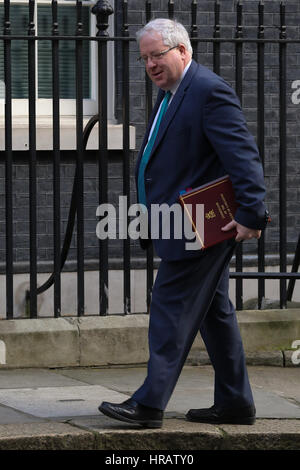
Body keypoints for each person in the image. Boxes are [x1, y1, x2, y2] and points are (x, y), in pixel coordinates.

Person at [99, 18, 269, 428]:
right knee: (215, 312)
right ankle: (234, 402)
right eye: (145, 58)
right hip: (179, 222)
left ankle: (149, 404)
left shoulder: (208, 91)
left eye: (158, 54)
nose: (151, 64)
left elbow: (243, 156)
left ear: (183, 51)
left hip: (201, 225)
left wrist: (251, 212)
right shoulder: (174, 93)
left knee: (170, 308)